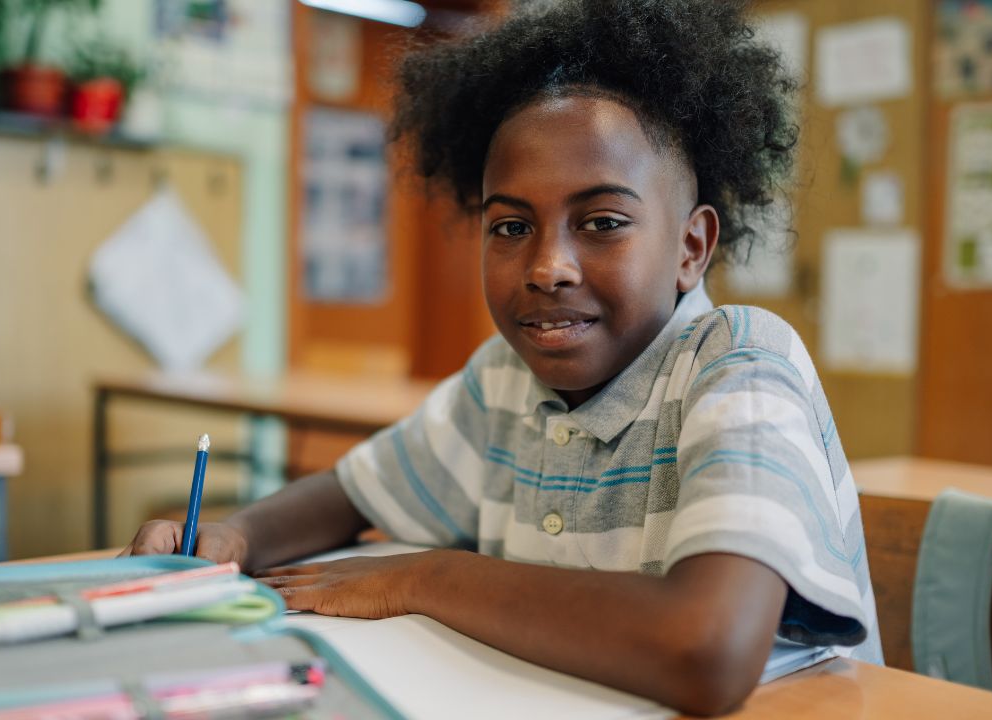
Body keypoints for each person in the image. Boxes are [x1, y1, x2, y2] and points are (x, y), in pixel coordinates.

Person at [124, 0, 881, 713]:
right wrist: (237, 536)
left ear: (691, 247)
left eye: (603, 221)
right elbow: (353, 495)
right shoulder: (503, 383)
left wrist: (423, 578)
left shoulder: (738, 366)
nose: (548, 265)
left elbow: (706, 649)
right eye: (511, 227)